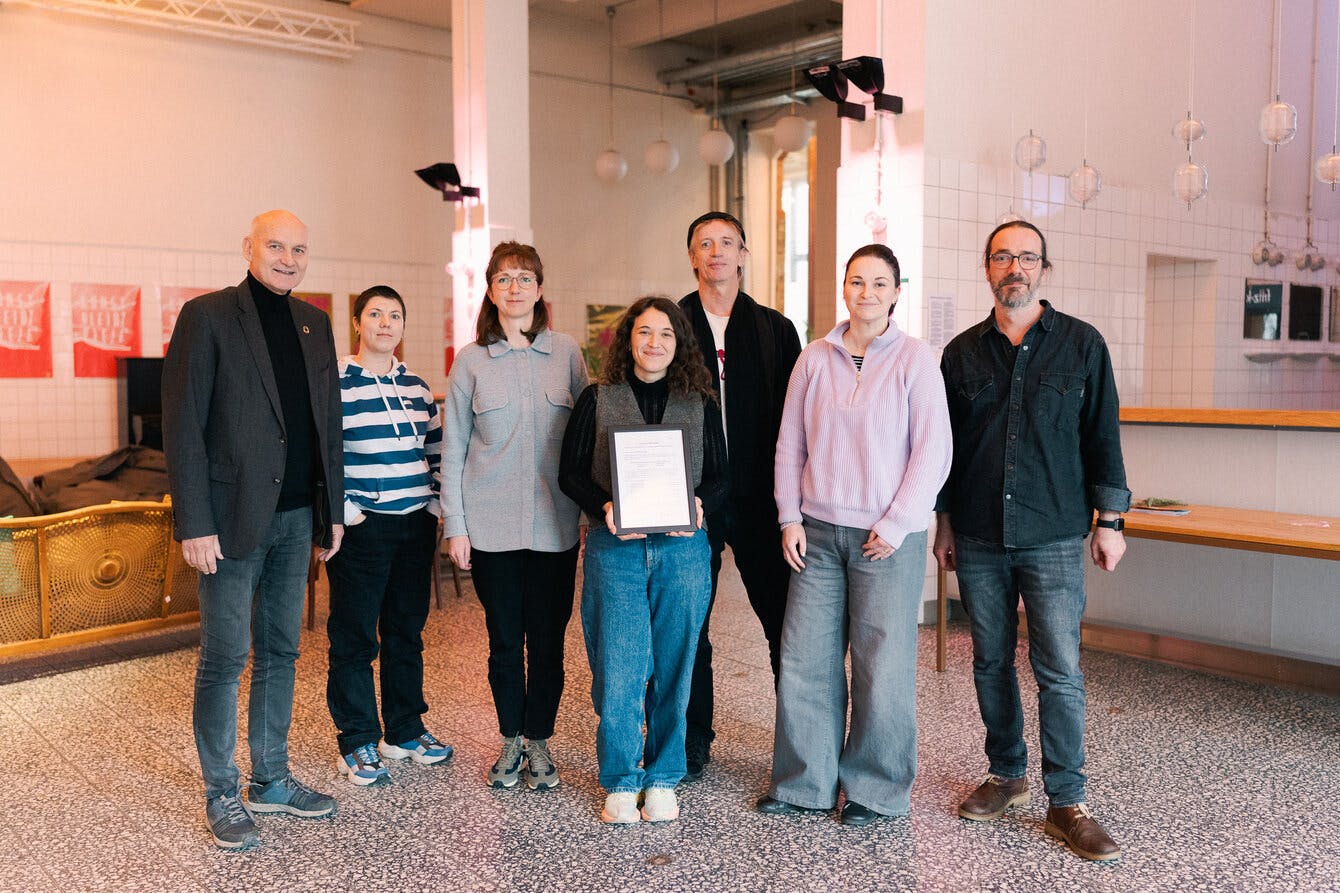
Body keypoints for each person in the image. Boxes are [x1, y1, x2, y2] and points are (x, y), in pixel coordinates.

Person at [933, 220, 1130, 861]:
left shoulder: (1082, 344)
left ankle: (1067, 800)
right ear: (986, 267)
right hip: (980, 533)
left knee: (1059, 671)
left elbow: (1104, 438)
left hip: (1052, 532)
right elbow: (947, 452)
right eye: (1002, 257)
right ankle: (1007, 775)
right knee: (989, 660)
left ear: (1044, 267)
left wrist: (1112, 520)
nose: (1014, 266)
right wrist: (942, 523)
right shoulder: (960, 353)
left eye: (1027, 257)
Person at [162, 210, 343, 851]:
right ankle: (221, 790)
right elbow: (182, 423)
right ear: (248, 248)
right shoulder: (207, 316)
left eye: (299, 248)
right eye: (276, 245)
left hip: (297, 518)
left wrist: (334, 511)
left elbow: (328, 424)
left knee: (283, 652)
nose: (288, 258)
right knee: (225, 656)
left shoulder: (315, 324)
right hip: (229, 520)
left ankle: (272, 778)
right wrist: (194, 521)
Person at [757, 244, 951, 827]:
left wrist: (895, 523)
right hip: (817, 532)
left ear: (896, 292)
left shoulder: (917, 360)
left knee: (882, 663)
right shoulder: (815, 358)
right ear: (844, 288)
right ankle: (804, 784)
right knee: (806, 659)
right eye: (857, 282)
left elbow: (933, 450)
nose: (867, 293)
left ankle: (876, 789)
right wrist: (789, 516)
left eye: (879, 283)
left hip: (887, 538)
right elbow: (790, 441)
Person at [559, 296, 727, 824]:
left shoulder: (699, 402)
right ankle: (620, 777)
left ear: (679, 345)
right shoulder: (598, 398)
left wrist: (700, 503)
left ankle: (662, 777)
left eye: (666, 335)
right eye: (644, 332)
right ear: (627, 338)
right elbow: (570, 474)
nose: (654, 343)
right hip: (617, 550)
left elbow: (723, 476)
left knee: (678, 664)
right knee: (619, 664)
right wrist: (603, 505)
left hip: (682, 550)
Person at [441, 242, 588, 791]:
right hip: (491, 527)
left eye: (525, 277)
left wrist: (592, 513)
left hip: (556, 526)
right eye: (504, 278)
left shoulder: (568, 353)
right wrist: (455, 523)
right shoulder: (472, 359)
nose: (515, 287)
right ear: (491, 290)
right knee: (504, 639)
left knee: (547, 641)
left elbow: (585, 438)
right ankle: (510, 740)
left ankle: (541, 742)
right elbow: (453, 443)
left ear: (540, 289)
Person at [677, 211, 801, 780]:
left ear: (744, 254)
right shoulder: (671, 324)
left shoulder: (776, 329)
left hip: (761, 498)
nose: (717, 252)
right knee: (688, 624)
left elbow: (798, 421)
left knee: (784, 622)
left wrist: (793, 502)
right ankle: (692, 738)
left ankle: (800, 742)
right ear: (693, 258)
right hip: (693, 498)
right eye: (706, 244)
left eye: (727, 242)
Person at [325, 285, 453, 787]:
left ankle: (403, 730)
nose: (385, 323)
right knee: (354, 637)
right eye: (375, 314)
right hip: (362, 528)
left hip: (414, 526)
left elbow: (436, 449)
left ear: (403, 325)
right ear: (358, 322)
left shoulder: (418, 387)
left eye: (394, 315)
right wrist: (345, 511)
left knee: (406, 632)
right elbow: (323, 455)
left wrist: (437, 507)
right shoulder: (335, 382)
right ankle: (356, 739)